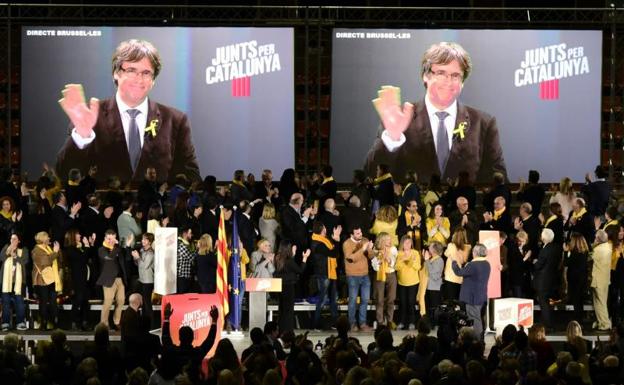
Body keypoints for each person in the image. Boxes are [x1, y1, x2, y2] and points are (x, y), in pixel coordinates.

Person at [56, 39, 200, 183]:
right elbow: (64, 173)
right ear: (116, 73)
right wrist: (82, 136)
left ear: (153, 80)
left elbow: (191, 178)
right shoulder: (89, 115)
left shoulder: (175, 120)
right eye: (131, 70)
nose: (139, 79)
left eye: (146, 73)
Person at [365, 41, 506, 183]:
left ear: (463, 81)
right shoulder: (399, 118)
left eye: (455, 75)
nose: (448, 82)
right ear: (425, 76)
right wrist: (393, 138)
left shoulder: (483, 123)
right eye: (440, 73)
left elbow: (498, 180)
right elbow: (370, 174)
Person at [451, 243, 491, 340]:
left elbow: (459, 272)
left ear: (475, 253)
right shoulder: (486, 264)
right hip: (481, 296)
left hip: (472, 298)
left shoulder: (474, 265)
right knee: (478, 318)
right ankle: (479, 339)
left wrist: (454, 263)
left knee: (475, 319)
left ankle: (478, 340)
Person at [273, 240, 310, 333]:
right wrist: (305, 258)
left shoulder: (277, 258)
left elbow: (287, 268)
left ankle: (281, 330)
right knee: (289, 311)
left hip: (279, 286)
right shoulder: (289, 261)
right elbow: (300, 270)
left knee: (282, 309)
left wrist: (293, 255)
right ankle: (288, 331)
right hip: (288, 287)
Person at [342, 226, 374, 332]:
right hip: (352, 275)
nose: (360, 235)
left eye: (360, 232)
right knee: (353, 300)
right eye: (357, 234)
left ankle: (363, 323)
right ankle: (352, 323)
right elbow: (351, 258)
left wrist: (370, 249)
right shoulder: (347, 244)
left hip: (365, 275)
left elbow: (371, 257)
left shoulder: (364, 240)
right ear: (352, 235)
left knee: (365, 300)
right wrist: (363, 249)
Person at [97, 229, 129, 329]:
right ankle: (104, 324)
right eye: (109, 238)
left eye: (113, 238)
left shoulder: (118, 249)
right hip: (108, 279)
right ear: (105, 238)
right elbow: (109, 258)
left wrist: (127, 246)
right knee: (108, 301)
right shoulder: (102, 250)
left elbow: (127, 258)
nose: (111, 240)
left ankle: (116, 321)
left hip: (120, 279)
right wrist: (117, 247)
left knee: (121, 300)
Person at [64, 228, 95, 331]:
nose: (80, 236)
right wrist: (86, 246)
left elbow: (88, 256)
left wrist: (90, 244)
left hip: (84, 278)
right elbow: (82, 259)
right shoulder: (70, 249)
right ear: (72, 236)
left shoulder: (79, 247)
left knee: (85, 300)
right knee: (78, 300)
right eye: (78, 234)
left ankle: (85, 322)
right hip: (77, 279)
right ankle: (74, 322)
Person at [0, 233, 29, 330]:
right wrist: (9, 251)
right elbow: (2, 258)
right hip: (6, 282)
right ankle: (5, 323)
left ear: (19, 241)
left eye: (15, 239)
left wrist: (15, 256)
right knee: (6, 303)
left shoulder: (23, 250)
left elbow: (24, 261)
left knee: (19, 302)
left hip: (19, 282)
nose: (12, 240)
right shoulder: (6, 248)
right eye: (11, 239)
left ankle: (20, 322)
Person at [395, 235, 421, 330]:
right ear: (402, 243)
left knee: (411, 302)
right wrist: (402, 260)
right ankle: (402, 322)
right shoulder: (399, 253)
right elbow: (396, 267)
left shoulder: (415, 253)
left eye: (410, 243)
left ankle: (412, 322)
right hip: (402, 282)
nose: (408, 244)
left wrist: (411, 261)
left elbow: (418, 267)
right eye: (406, 243)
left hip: (413, 282)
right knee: (402, 303)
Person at [372, 232, 398, 328]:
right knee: (379, 300)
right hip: (380, 275)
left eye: (390, 239)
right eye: (387, 239)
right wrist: (379, 260)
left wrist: (388, 259)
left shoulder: (393, 249)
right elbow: (374, 266)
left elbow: (394, 263)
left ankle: (390, 320)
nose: (390, 241)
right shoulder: (376, 250)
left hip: (391, 274)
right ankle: (380, 322)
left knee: (391, 298)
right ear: (382, 241)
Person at [563, 232, 589, 323]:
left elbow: (566, 263)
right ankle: (579, 319)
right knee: (579, 301)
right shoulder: (585, 252)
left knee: (576, 301)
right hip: (582, 279)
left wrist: (566, 252)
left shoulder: (574, 253)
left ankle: (577, 320)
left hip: (574, 280)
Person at [131, 233, 155, 324]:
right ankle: (145, 322)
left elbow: (144, 266)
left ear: (150, 241)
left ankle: (151, 323)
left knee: (147, 303)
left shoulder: (151, 253)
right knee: (144, 303)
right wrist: (135, 258)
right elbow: (138, 264)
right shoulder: (142, 250)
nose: (142, 241)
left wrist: (137, 257)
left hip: (148, 281)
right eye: (142, 239)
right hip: (142, 279)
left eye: (145, 239)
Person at [591, 229, 612, 331]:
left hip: (598, 280)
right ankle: (601, 322)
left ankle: (605, 324)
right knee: (601, 302)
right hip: (605, 279)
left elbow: (589, 257)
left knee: (600, 303)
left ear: (598, 239)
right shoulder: (608, 247)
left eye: (595, 237)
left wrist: (594, 245)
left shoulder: (597, 250)